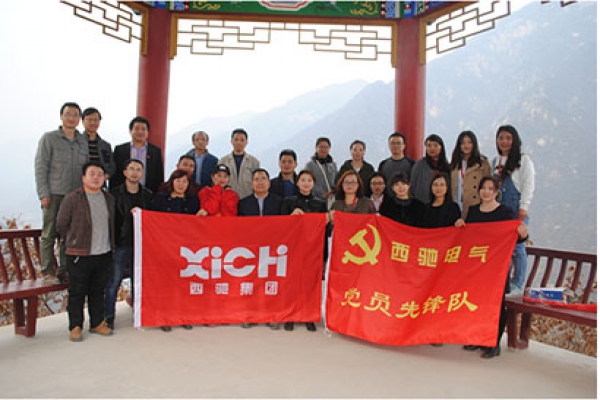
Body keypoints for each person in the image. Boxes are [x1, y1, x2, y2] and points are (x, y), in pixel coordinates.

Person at [455, 176, 529, 359]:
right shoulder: (473, 211)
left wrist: (524, 234)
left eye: (490, 188)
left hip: (497, 267)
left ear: (496, 192)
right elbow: (467, 237)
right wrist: (460, 226)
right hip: (476, 266)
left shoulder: (505, 212)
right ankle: (475, 338)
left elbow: (516, 238)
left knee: (496, 304)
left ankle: (493, 343)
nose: (486, 191)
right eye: (483, 188)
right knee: (476, 302)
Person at [56, 162, 114, 342]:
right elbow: (61, 224)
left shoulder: (108, 198)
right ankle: (75, 326)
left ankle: (97, 322)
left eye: (100, 174)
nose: (96, 177)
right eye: (92, 173)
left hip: (103, 252)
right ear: (83, 178)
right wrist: (75, 240)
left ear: (104, 178)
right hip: (79, 254)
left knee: (98, 290)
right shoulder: (73, 198)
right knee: (77, 291)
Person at [35, 102, 89, 284]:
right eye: (68, 114)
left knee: (70, 234)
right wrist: (43, 193)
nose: (71, 118)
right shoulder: (49, 138)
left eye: (75, 115)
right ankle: (47, 270)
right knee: (49, 232)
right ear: (61, 116)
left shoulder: (82, 141)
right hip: (54, 193)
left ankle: (65, 269)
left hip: (75, 195)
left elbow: (86, 168)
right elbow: (41, 167)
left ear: (79, 119)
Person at [105, 159, 153, 330]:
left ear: (142, 173)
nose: (134, 172)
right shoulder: (114, 194)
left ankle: (139, 315)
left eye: (138, 169)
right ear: (125, 172)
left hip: (140, 245)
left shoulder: (148, 195)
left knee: (138, 282)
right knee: (114, 282)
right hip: (120, 243)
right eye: (131, 169)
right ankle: (108, 317)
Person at [151, 169, 200, 332]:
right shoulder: (160, 199)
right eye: (178, 180)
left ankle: (183, 316)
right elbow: (151, 219)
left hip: (186, 249)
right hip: (164, 247)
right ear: (171, 181)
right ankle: (164, 317)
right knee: (165, 284)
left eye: (185, 181)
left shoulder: (193, 201)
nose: (181, 184)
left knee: (184, 284)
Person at [281, 170, 329, 332]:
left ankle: (309, 315)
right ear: (297, 182)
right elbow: (280, 225)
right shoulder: (289, 201)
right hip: (293, 248)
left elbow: (325, 229)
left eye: (309, 180)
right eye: (303, 180)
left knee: (311, 284)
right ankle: (290, 315)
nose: (306, 183)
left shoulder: (320, 204)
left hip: (313, 250)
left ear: (313, 183)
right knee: (292, 283)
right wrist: (291, 216)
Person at [492, 125, 535, 297]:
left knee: (517, 247)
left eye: (508, 138)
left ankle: (518, 284)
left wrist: (524, 206)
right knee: (501, 249)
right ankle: (503, 283)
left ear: (514, 140)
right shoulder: (496, 161)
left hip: (515, 208)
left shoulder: (523, 160)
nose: (504, 142)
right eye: (501, 138)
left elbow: (528, 184)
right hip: (499, 211)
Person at [238, 168, 283, 330]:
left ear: (269, 183)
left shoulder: (279, 202)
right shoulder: (243, 203)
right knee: (251, 283)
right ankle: (251, 315)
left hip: (272, 249)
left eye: (263, 179)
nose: (260, 182)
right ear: (252, 184)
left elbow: (285, 225)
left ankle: (271, 315)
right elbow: (238, 227)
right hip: (251, 249)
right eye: (256, 179)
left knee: (271, 283)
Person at [112, 116, 164, 194]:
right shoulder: (120, 150)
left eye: (143, 129)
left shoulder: (155, 151)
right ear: (130, 131)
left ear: (147, 132)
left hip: (148, 194)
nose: (140, 132)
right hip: (123, 194)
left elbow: (159, 176)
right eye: (136, 129)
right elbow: (115, 175)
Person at [449, 131, 491, 219]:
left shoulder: (482, 164)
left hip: (475, 205)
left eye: (469, 142)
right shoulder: (454, 164)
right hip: (456, 205)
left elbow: (488, 186)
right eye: (463, 143)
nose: (466, 145)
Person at [218, 128, 260, 199]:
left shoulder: (254, 162)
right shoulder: (223, 161)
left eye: (242, 140)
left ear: (246, 142)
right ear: (231, 141)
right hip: (227, 199)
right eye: (236, 139)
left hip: (247, 198)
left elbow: (257, 183)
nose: (239, 143)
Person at [411, 134, 451, 205]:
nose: (432, 148)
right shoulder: (419, 165)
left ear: (441, 147)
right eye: (429, 146)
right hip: (422, 204)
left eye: (435, 145)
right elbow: (413, 185)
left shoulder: (447, 166)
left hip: (443, 204)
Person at [81, 107, 115, 180]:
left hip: (100, 183)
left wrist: (105, 176)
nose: (93, 123)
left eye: (96, 120)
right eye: (90, 120)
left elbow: (111, 166)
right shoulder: (77, 142)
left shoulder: (105, 145)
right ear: (83, 121)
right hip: (80, 183)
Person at [378, 132, 414, 197]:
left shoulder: (411, 164)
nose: (395, 146)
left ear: (404, 146)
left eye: (398, 143)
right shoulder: (383, 164)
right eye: (393, 143)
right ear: (389, 146)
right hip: (387, 199)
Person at [304, 137, 337, 203]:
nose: (324, 149)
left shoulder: (333, 165)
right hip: (316, 200)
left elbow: (337, 180)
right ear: (316, 148)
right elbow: (306, 182)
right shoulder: (310, 165)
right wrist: (322, 194)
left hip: (332, 200)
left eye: (326, 147)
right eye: (321, 147)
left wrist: (334, 190)